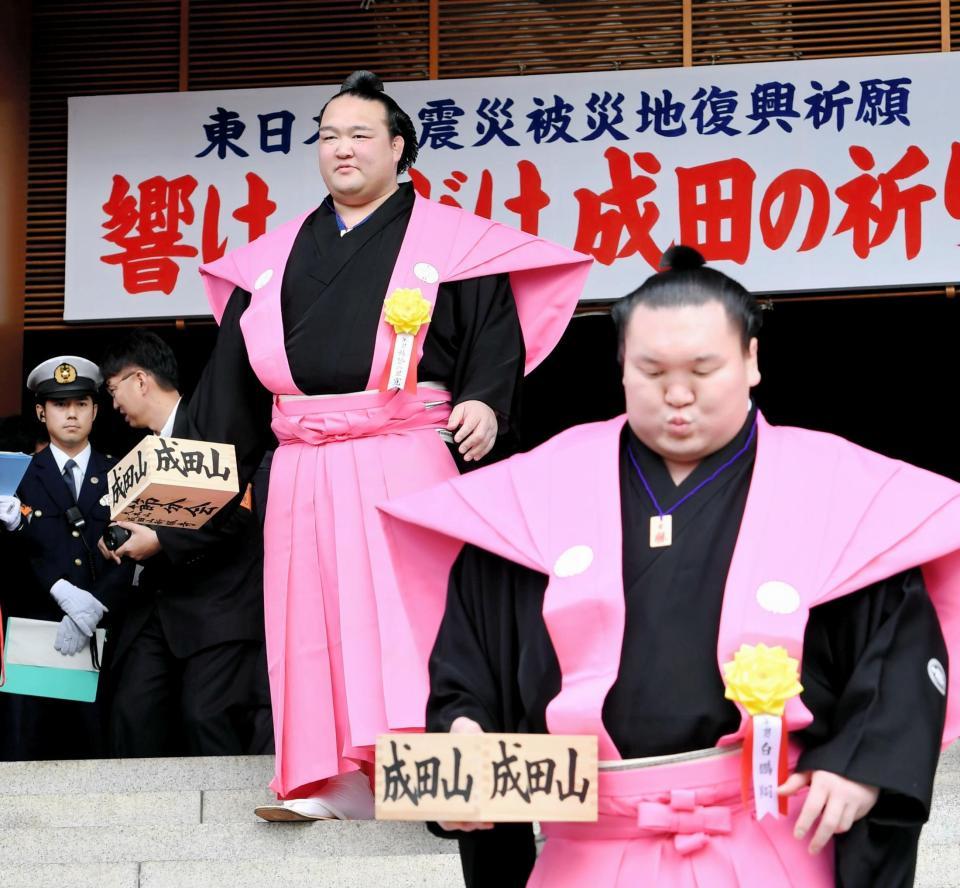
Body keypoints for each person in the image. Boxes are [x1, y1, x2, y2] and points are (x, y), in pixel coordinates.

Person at [379, 246, 960, 888]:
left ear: (751, 361)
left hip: (769, 835)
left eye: (703, 369)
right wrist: (464, 734)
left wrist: (864, 764)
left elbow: (898, 652)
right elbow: (471, 658)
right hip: (590, 846)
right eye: (652, 370)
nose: (677, 395)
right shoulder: (539, 492)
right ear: (621, 366)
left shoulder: (837, 490)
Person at [192, 69, 591, 820]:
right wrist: (185, 493)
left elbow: (492, 340)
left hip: (407, 449)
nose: (341, 148)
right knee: (309, 624)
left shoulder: (454, 242)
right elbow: (228, 391)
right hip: (304, 461)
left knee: (419, 617)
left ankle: (443, 774)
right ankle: (325, 779)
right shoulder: (271, 258)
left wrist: (484, 401)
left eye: (359, 134)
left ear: (399, 147)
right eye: (328, 135)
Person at [98, 331, 268, 757]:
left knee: (206, 718)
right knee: (130, 715)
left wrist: (159, 540)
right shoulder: (139, 454)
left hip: (218, 605)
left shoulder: (210, 426)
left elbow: (236, 514)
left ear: (140, 381)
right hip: (156, 609)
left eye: (113, 388)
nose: (112, 402)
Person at [0, 356, 132, 760]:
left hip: (104, 633)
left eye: (80, 403)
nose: (71, 413)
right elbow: (9, 565)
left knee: (98, 751)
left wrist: (92, 604)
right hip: (35, 634)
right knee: (27, 751)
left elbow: (136, 552)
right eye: (59, 404)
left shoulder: (123, 473)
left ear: (95, 409)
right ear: (41, 412)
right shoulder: (16, 475)